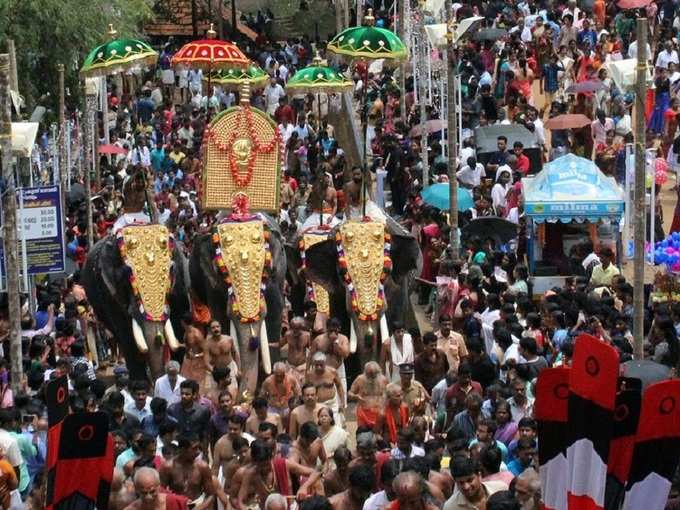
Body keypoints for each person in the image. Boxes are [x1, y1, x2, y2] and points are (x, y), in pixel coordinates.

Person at [159, 433, 214, 509]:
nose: (198, 452)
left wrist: (199, 508)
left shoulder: (202, 467)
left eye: (198, 448)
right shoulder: (167, 467)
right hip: (176, 506)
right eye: (194, 448)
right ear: (183, 449)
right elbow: (161, 492)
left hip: (197, 504)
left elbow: (210, 494)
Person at [304, 353, 345, 424]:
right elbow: (306, 390)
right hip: (317, 405)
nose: (319, 367)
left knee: (336, 425)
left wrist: (342, 402)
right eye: (316, 365)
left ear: (325, 363)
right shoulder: (309, 375)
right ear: (313, 364)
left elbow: (339, 386)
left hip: (332, 404)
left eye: (321, 365)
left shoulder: (332, 372)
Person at [123, 467, 188, 510]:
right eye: (144, 493)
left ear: (159, 486)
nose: (148, 497)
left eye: (152, 491)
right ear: (136, 489)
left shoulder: (177, 502)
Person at [348, 362, 388, 429]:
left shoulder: (383, 380)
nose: (371, 377)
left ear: (378, 373)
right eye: (369, 375)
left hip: (379, 413)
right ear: (365, 372)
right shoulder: (360, 379)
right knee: (363, 437)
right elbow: (349, 393)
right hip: (364, 413)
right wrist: (355, 397)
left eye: (374, 375)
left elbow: (389, 394)